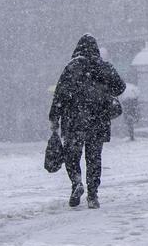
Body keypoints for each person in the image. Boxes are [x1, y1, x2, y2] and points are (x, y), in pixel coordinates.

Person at [48, 34, 126, 210]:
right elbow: (120, 87)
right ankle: (93, 195)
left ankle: (76, 183)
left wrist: (54, 117)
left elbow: (59, 95)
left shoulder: (71, 67)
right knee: (94, 158)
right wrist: (105, 88)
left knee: (72, 156)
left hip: (74, 121)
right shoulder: (104, 67)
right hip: (98, 121)